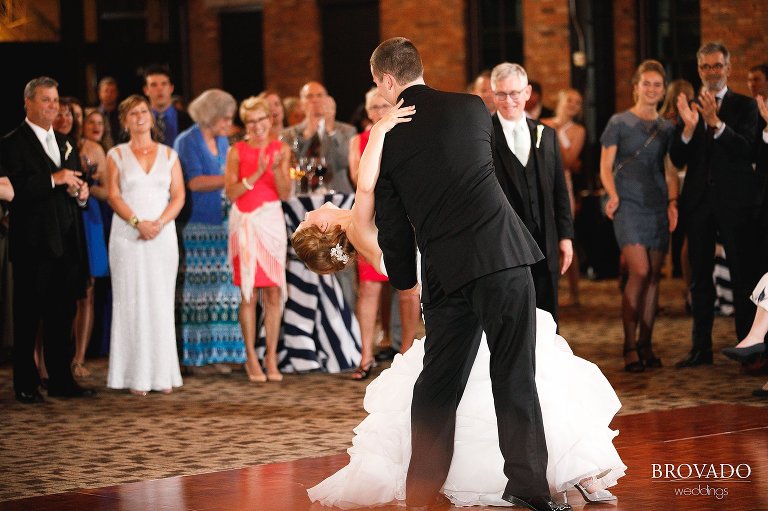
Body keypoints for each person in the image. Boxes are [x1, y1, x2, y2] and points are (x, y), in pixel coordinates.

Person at [293, 96, 623, 509]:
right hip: (455, 272)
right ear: (323, 228)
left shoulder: (361, 229)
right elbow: (364, 182)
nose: (309, 213)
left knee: (494, 378)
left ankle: (552, 475)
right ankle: (557, 475)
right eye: (306, 220)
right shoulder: (359, 224)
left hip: (448, 275)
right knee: (518, 374)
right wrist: (378, 129)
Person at [372, 37, 564, 511]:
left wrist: (402, 279)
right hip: (503, 254)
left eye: (378, 83)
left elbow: (394, 227)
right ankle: (529, 489)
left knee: (438, 382)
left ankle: (421, 490)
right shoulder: (473, 109)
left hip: (447, 271)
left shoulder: (387, 137)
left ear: (389, 80)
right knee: (515, 374)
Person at [1, 76, 95, 403]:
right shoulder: (11, 144)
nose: (53, 106)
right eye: (46, 100)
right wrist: (54, 179)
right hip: (33, 242)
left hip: (67, 241)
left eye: (56, 100)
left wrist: (81, 194)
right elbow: (13, 191)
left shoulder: (67, 143)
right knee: (28, 315)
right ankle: (25, 382)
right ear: (28, 103)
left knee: (62, 312)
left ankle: (61, 379)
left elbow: (74, 189)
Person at [670, 42, 761, 368]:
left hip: (737, 203)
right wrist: (689, 130)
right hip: (699, 204)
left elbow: (749, 150)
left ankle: (749, 349)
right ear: (699, 70)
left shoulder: (746, 106)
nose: (712, 72)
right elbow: (677, 157)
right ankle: (700, 348)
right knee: (699, 279)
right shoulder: (689, 106)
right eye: (706, 67)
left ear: (728, 68)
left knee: (742, 276)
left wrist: (716, 125)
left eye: (717, 66)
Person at [600, 60, 677, 373]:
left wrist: (673, 202)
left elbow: (670, 169)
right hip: (627, 203)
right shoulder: (618, 122)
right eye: (646, 83)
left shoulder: (668, 127)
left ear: (663, 90)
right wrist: (612, 194)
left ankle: (647, 344)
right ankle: (629, 345)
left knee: (655, 275)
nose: (652, 89)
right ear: (635, 87)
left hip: (657, 202)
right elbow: (605, 166)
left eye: (657, 84)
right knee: (641, 271)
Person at [105, 94, 185, 395]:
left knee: (160, 300)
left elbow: (178, 195)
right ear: (125, 121)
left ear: (151, 117)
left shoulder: (169, 155)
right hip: (128, 234)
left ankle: (163, 374)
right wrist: (138, 223)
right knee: (132, 300)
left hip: (162, 235)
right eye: (133, 113)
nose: (139, 117)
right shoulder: (116, 155)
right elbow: (113, 195)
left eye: (143, 111)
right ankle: (132, 375)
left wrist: (159, 224)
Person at [490, 63, 574, 325]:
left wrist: (565, 236)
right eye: (501, 94)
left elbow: (559, 189)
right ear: (493, 95)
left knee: (547, 318)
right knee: (512, 318)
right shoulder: (484, 135)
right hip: (505, 245)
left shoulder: (546, 134)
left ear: (527, 93)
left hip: (545, 240)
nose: (509, 101)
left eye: (515, 93)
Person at [347, 88, 421, 379]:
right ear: (367, 111)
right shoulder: (360, 140)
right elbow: (359, 178)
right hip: (370, 217)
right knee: (368, 287)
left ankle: (406, 351)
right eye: (374, 107)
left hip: (404, 216)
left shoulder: (404, 133)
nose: (379, 111)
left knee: (408, 288)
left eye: (383, 106)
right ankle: (366, 353)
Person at [173, 89, 245, 373]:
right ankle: (198, 356)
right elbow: (193, 182)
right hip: (197, 224)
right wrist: (232, 179)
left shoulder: (222, 139)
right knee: (198, 293)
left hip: (224, 222)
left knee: (223, 292)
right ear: (210, 116)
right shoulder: (187, 141)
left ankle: (222, 352)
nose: (228, 123)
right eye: (224, 118)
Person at [225, 97, 291, 382]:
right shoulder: (236, 151)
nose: (258, 126)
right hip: (246, 223)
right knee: (249, 294)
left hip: (272, 222)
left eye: (262, 119)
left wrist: (275, 169)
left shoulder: (282, 149)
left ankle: (271, 355)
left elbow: (286, 192)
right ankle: (251, 356)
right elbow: (232, 192)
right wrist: (258, 172)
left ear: (269, 120)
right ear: (246, 124)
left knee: (274, 292)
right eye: (251, 121)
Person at [55, 99, 110, 380]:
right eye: (64, 113)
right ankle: (45, 360)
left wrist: (90, 184)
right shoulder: (53, 146)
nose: (68, 118)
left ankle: (79, 357)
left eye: (73, 114)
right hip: (61, 220)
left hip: (89, 218)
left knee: (87, 291)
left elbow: (108, 192)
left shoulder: (91, 148)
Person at [543, 89, 587, 307]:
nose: (573, 104)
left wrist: (557, 132)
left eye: (578, 102)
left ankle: (575, 292)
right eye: (569, 99)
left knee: (565, 237)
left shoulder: (578, 131)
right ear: (559, 100)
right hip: (542, 184)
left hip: (562, 186)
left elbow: (568, 161)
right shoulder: (542, 122)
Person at [280, 81, 357, 194]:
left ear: (328, 100)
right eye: (309, 96)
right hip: (302, 195)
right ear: (301, 103)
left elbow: (345, 162)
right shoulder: (288, 134)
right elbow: (293, 165)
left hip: (339, 194)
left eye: (319, 95)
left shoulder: (347, 130)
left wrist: (331, 131)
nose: (315, 100)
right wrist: (307, 134)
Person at [143, 64, 193, 146]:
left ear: (171, 88)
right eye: (154, 85)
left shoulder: (188, 120)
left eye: (164, 84)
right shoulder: (139, 121)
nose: (159, 89)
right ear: (146, 90)